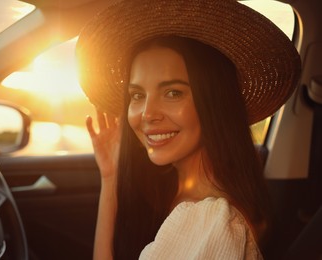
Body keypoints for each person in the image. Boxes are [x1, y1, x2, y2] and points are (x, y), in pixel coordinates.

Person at [76, 0, 301, 259]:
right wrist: (110, 177)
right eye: (137, 95)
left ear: (214, 102)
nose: (148, 113)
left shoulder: (207, 222)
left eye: (173, 92)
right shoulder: (185, 197)